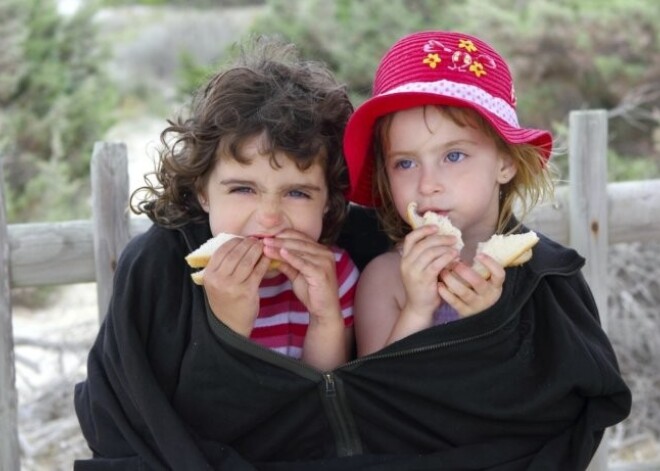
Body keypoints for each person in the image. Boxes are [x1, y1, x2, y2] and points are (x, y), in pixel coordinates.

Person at [342, 30, 632, 469]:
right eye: (405, 162)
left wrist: (491, 325)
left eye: (453, 156)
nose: (428, 183)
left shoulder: (546, 276)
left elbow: (564, 403)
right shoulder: (385, 278)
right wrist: (418, 308)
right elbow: (373, 404)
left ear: (505, 162)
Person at [74, 35, 365, 470]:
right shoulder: (168, 273)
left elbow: (322, 400)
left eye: (298, 193)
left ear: (328, 201)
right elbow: (167, 417)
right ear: (203, 192)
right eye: (243, 189)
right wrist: (227, 324)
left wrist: (325, 316)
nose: (270, 218)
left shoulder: (335, 271)